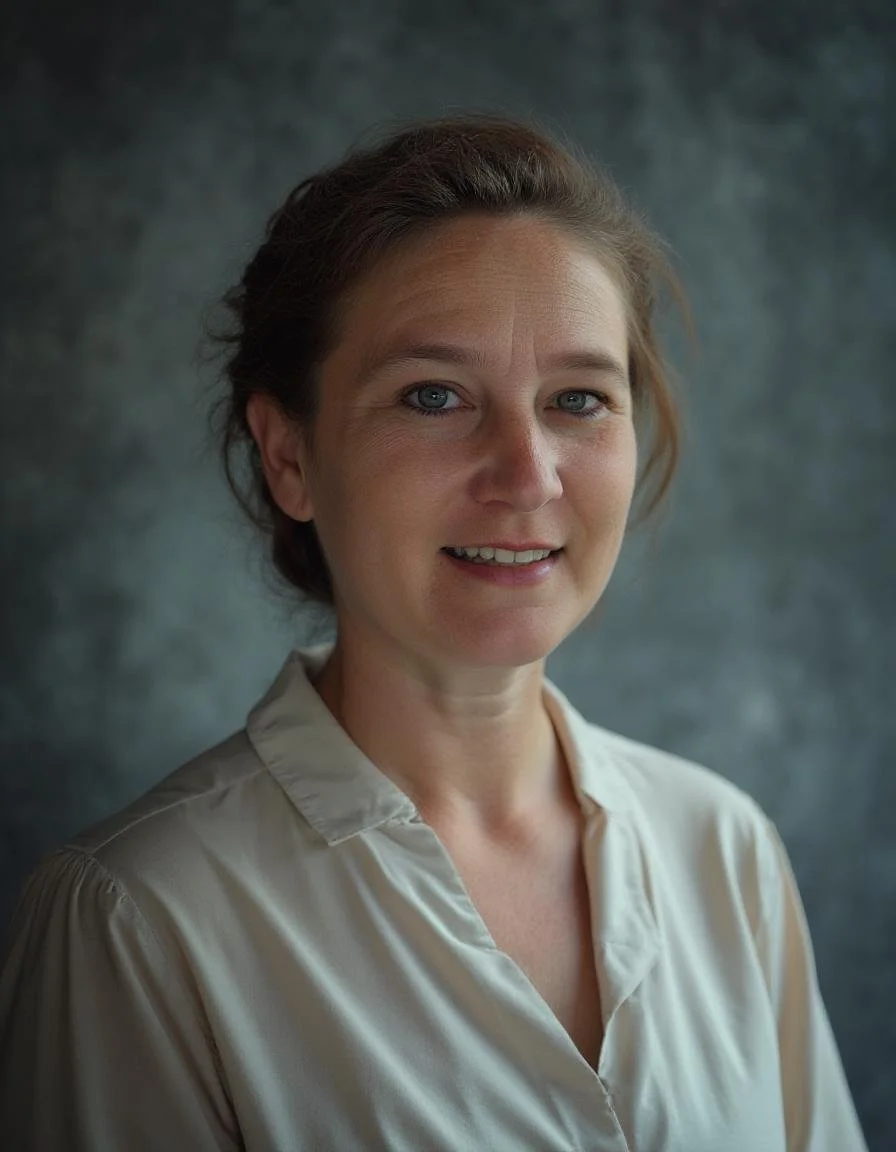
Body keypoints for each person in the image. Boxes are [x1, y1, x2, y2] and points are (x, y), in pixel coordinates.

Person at [0, 112, 868, 1152]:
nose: (526, 474)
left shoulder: (721, 851)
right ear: (288, 457)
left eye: (577, 400)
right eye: (433, 395)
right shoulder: (139, 921)